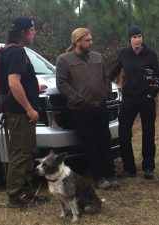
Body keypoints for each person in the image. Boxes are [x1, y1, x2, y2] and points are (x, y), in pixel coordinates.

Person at [56, 28, 119, 189]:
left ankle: (111, 175)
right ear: (77, 42)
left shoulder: (98, 57)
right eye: (87, 40)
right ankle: (98, 178)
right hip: (81, 110)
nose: (91, 42)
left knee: (105, 140)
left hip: (100, 107)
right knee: (90, 144)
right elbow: (61, 83)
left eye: (91, 39)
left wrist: (106, 92)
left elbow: (106, 78)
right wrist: (78, 99)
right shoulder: (64, 59)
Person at [1, 16, 48, 208]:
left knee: (27, 152)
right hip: (20, 113)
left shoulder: (12, 51)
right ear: (22, 33)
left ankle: (26, 193)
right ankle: (16, 196)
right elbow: (13, 82)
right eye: (32, 29)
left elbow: (17, 81)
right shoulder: (17, 52)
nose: (34, 32)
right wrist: (29, 109)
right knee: (20, 154)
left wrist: (35, 88)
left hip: (19, 112)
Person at [109, 25, 159, 179]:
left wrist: (151, 95)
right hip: (129, 97)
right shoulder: (124, 53)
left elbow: (158, 78)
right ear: (129, 39)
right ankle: (129, 167)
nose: (138, 40)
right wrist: (104, 85)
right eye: (134, 37)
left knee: (148, 132)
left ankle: (148, 167)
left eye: (139, 36)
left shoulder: (150, 54)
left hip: (146, 98)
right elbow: (113, 72)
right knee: (124, 131)